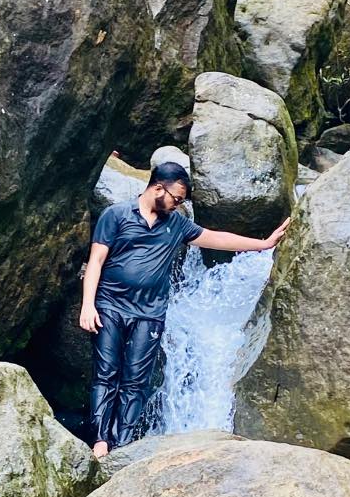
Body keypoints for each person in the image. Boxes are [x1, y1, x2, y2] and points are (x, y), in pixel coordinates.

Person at [80, 160, 291, 459]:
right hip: (110, 306)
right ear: (157, 187)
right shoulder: (115, 215)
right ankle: (100, 441)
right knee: (106, 374)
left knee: (136, 381)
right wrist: (88, 305)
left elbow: (217, 238)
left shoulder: (176, 224)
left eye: (181, 202)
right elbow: (96, 262)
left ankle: (123, 444)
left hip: (149, 313)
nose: (178, 205)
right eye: (176, 199)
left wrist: (263, 243)